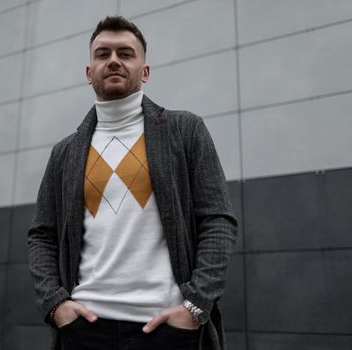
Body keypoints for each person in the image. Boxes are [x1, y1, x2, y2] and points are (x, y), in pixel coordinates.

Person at [28, 16, 237, 350]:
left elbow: (218, 220)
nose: (113, 60)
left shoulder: (185, 131)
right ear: (88, 72)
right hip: (85, 329)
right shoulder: (65, 153)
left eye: (125, 54)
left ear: (145, 71)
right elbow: (42, 235)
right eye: (102, 54)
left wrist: (196, 305)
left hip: (166, 328)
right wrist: (56, 305)